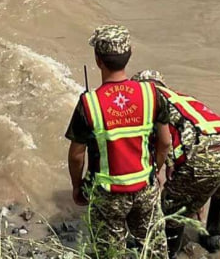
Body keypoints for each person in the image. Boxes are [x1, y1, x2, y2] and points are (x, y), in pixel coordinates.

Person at [66, 25, 171, 259]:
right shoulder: (152, 94)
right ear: (130, 53)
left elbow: (76, 155)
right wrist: (155, 171)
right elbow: (164, 143)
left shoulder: (89, 104)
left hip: (107, 192)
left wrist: (77, 186)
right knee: (153, 247)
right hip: (145, 186)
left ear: (97, 60)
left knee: (110, 252)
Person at [133, 70, 220, 256]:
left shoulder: (149, 103)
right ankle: (213, 240)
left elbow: (159, 143)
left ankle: (169, 253)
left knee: (171, 211)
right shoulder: (183, 99)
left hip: (207, 158)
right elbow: (184, 134)